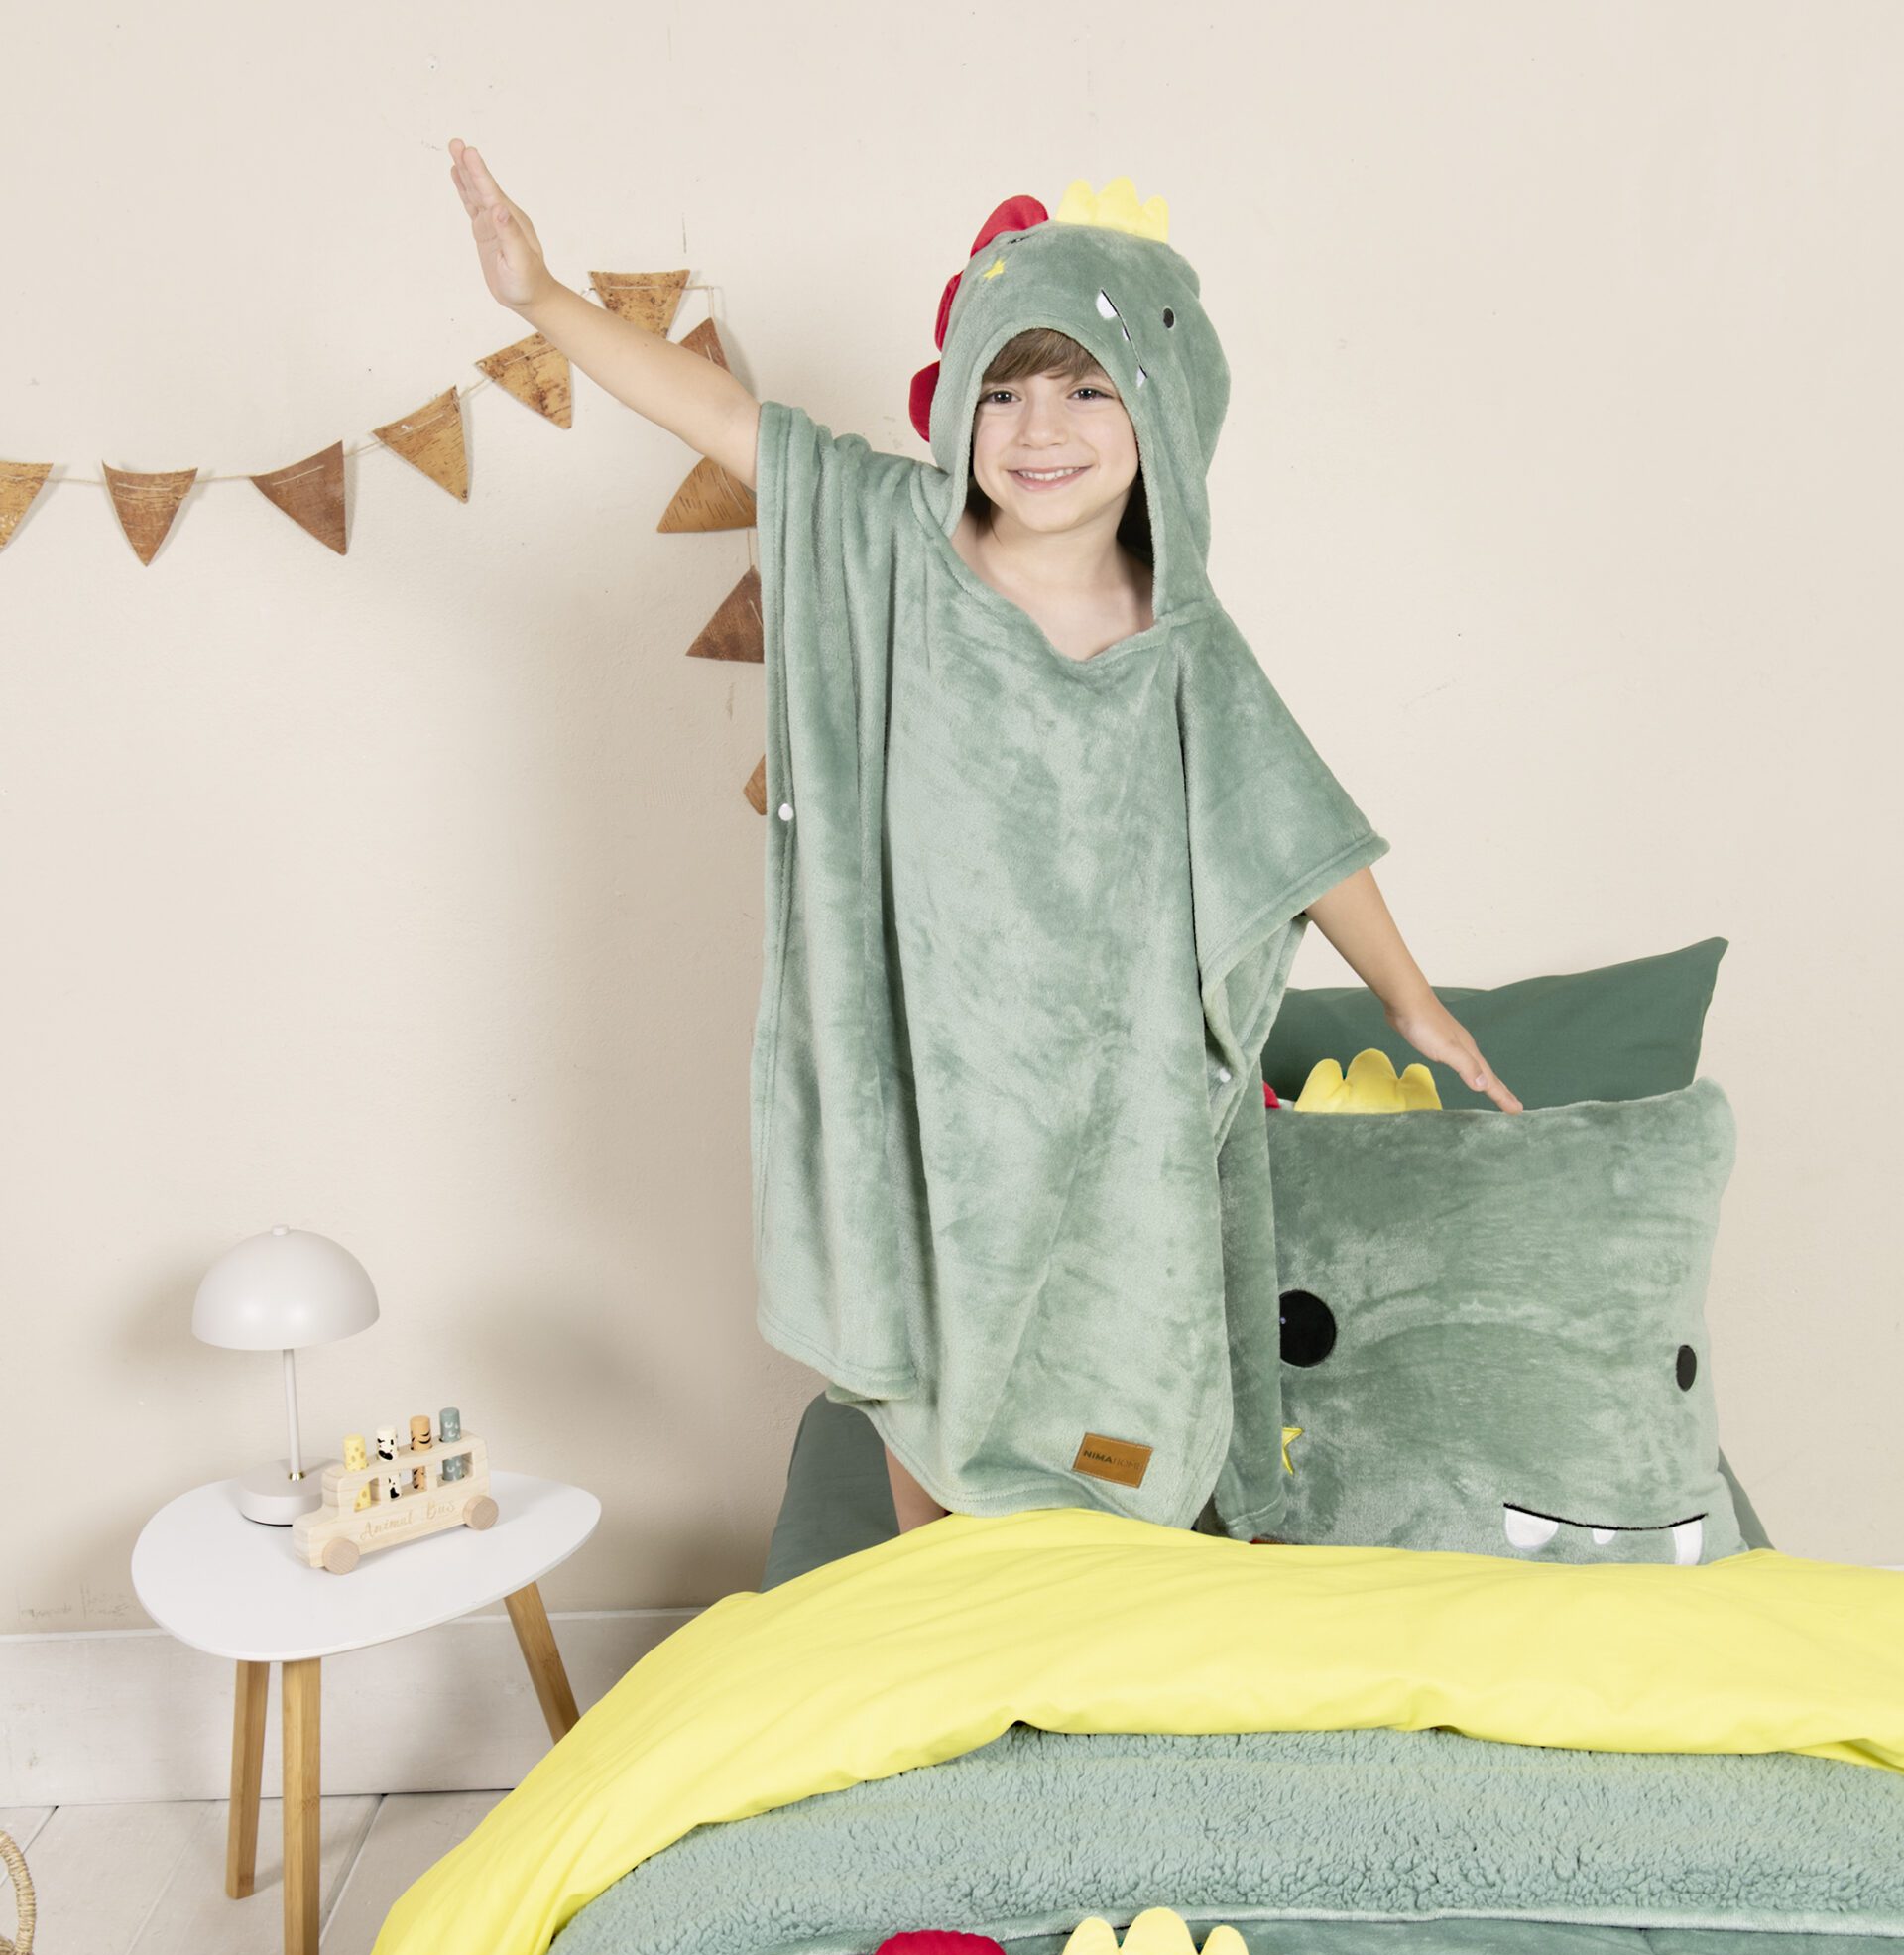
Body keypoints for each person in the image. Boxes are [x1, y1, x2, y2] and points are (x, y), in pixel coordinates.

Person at [448, 147, 1520, 1542]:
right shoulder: (893, 540)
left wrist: (1413, 1000)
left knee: (1114, 1379)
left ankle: (1099, 1592)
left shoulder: (1185, 643)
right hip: (930, 1085)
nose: (1038, 428)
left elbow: (1295, 831)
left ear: (1160, 408)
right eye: (1003, 390)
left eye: (1086, 388)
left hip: (1115, 1106)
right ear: (958, 405)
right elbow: (722, 415)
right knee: (939, 1388)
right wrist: (541, 298)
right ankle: (953, 1614)